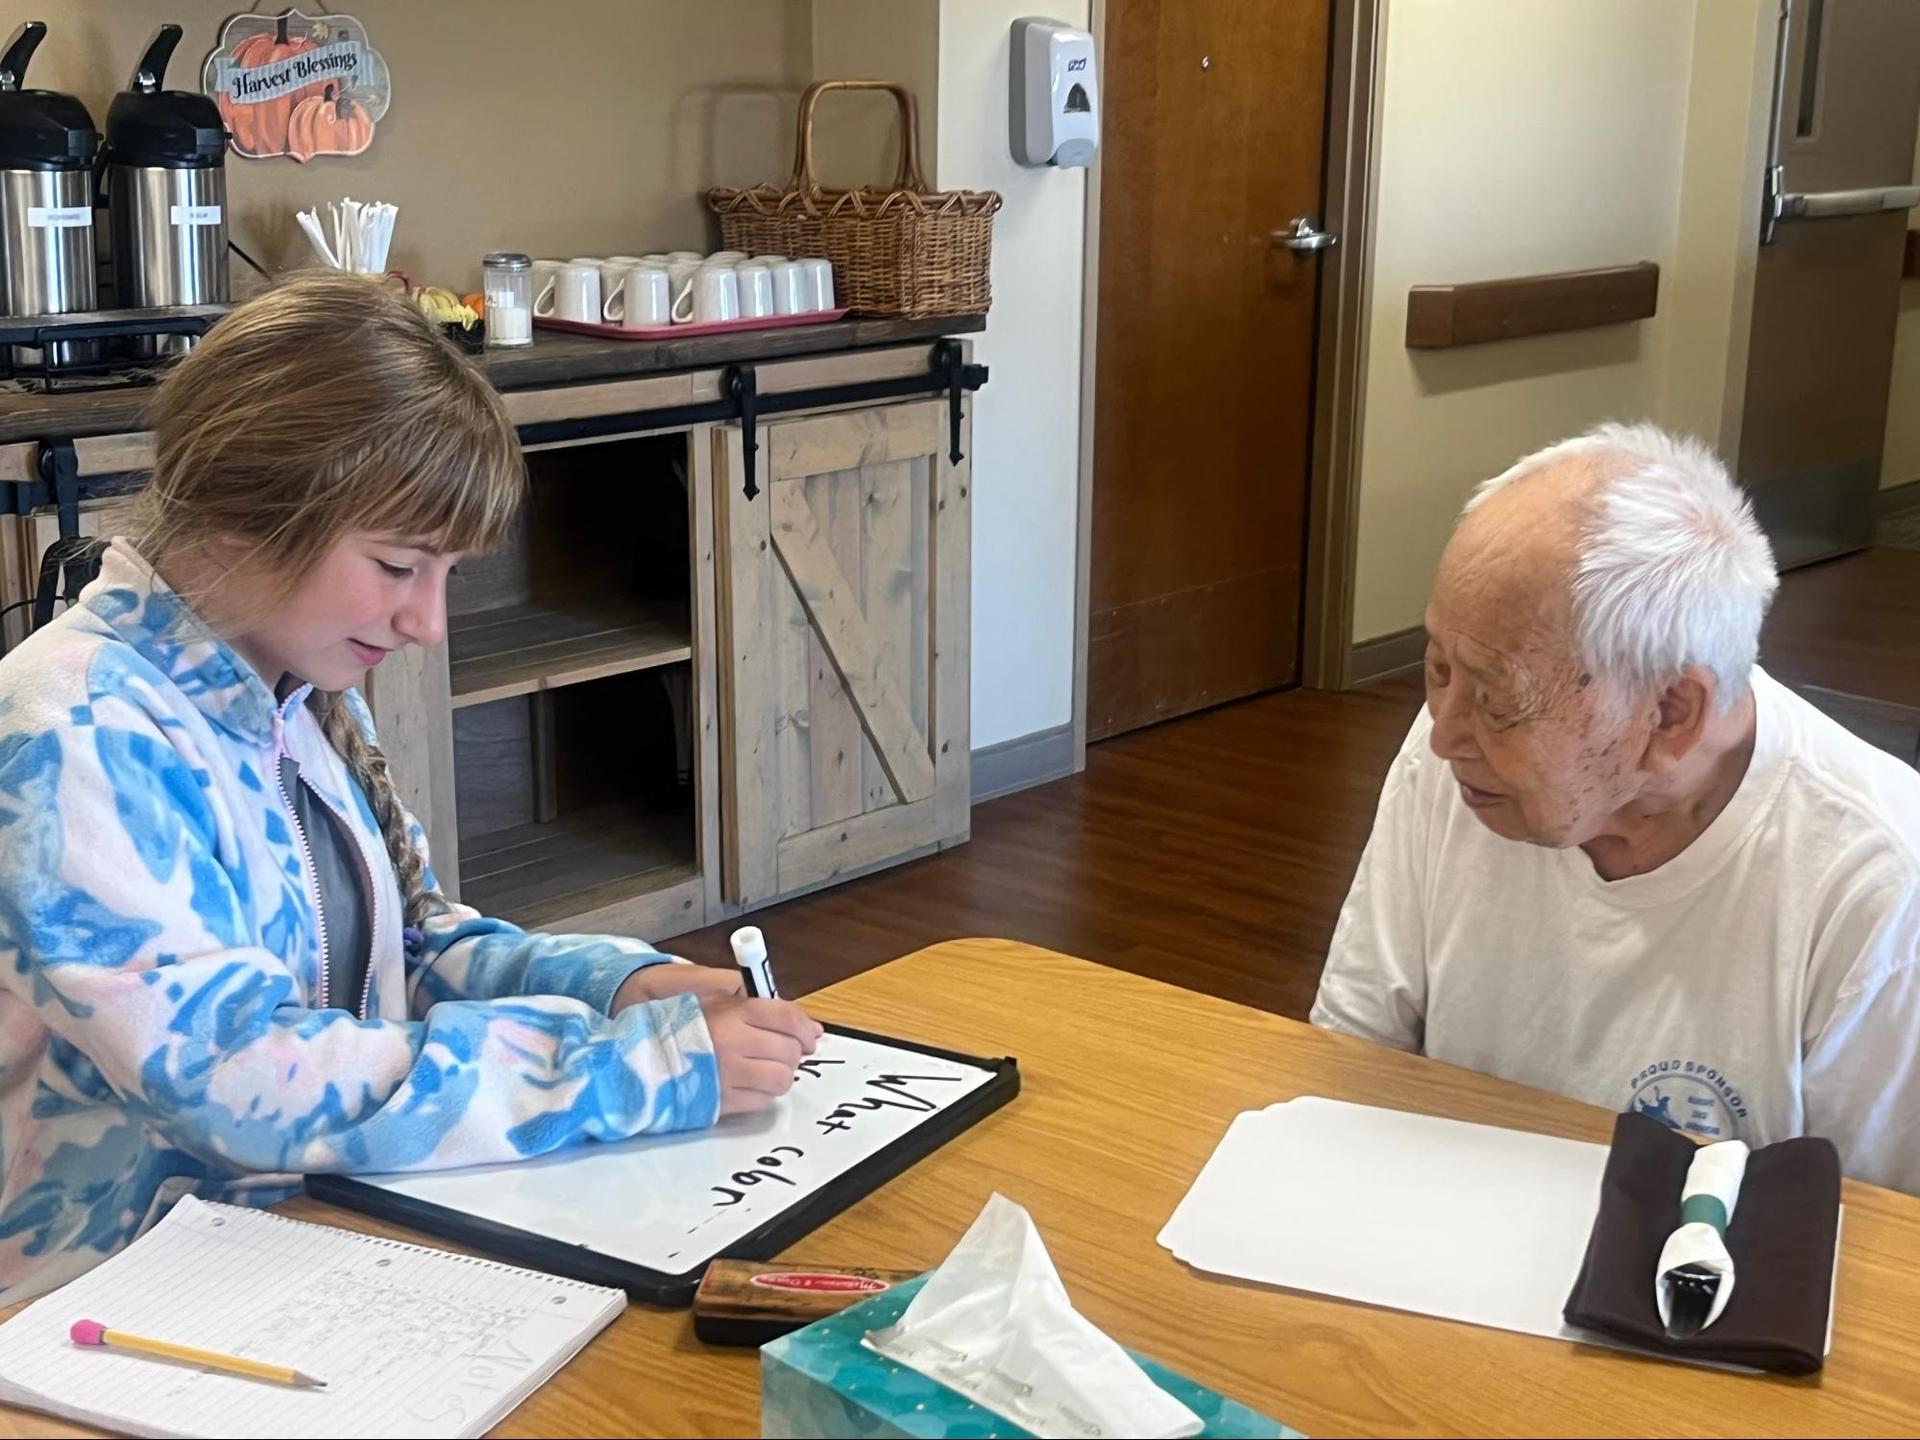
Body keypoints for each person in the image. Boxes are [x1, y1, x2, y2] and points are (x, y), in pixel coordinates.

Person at [0, 273, 822, 1301]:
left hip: (313, 1240)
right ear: (239, 513)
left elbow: (411, 951)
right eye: (398, 566)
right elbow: (233, 1074)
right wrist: (626, 1071)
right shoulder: (70, 729)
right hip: (107, 1313)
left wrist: (610, 987)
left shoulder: (293, 688)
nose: (426, 623)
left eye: (444, 576)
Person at [1312, 422, 1920, 1192]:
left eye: (1498, 697)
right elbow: (1350, 1058)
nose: (1444, 734)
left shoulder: (1878, 879)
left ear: (1671, 714)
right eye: (1436, 667)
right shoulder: (1463, 760)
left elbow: (1876, 1244)